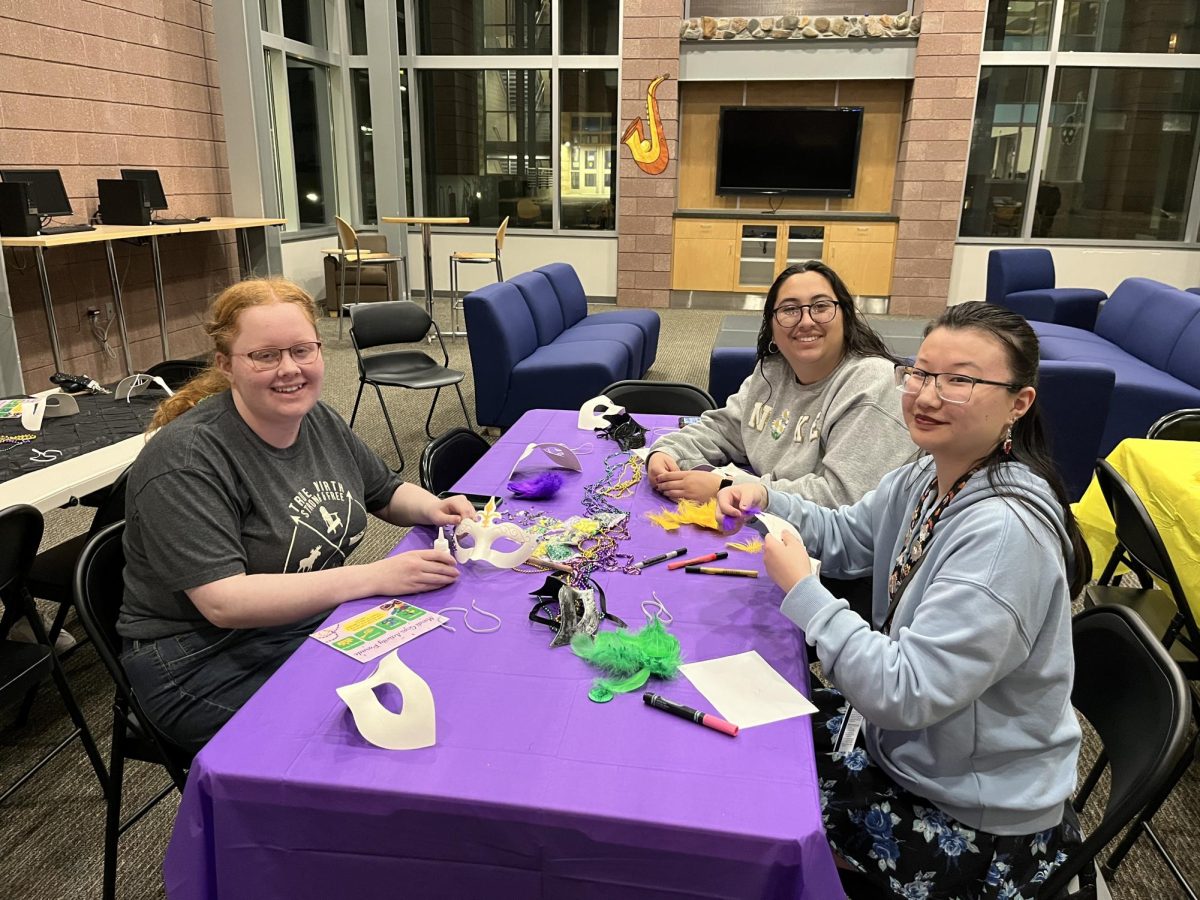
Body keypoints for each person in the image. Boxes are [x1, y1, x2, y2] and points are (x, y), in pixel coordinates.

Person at [718, 301, 1087, 897]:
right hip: (909, 751)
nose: (928, 395)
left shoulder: (1003, 537)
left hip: (969, 813)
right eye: (920, 373)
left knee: (747, 806)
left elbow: (903, 693)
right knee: (744, 734)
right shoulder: (929, 472)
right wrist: (763, 498)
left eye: (960, 380)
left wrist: (805, 594)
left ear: (1018, 404)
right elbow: (846, 535)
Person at [118, 278, 475, 754]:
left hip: (298, 622)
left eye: (302, 350)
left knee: (441, 676)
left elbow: (385, 491)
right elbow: (225, 602)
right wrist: (374, 576)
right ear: (226, 364)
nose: (290, 369)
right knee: (370, 742)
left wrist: (434, 507)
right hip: (201, 659)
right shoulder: (187, 458)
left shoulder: (317, 420)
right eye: (265, 355)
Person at [647, 260, 912, 509]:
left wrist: (727, 488)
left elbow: (843, 499)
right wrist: (668, 451)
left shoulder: (874, 384)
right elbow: (724, 429)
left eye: (821, 307)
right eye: (789, 310)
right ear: (772, 326)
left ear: (846, 317)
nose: (806, 321)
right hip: (775, 527)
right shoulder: (772, 371)